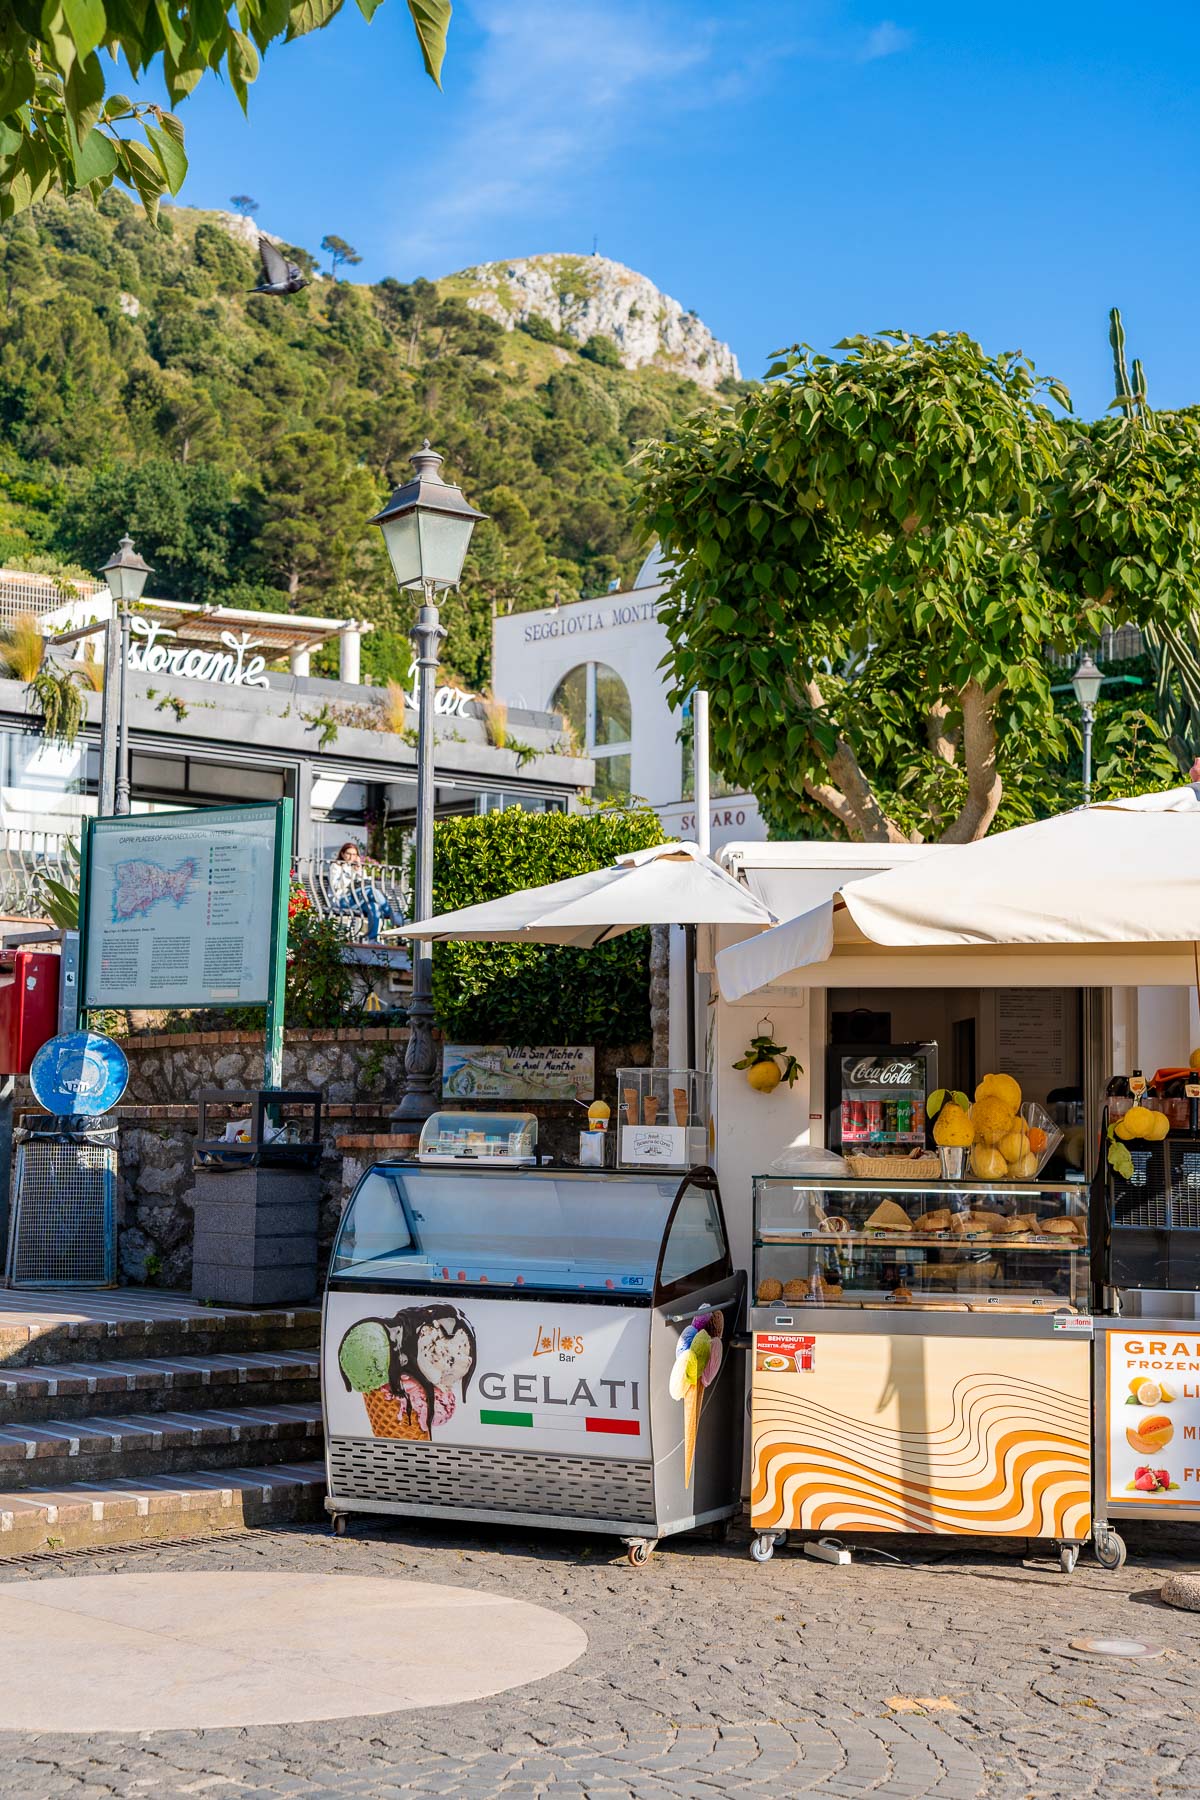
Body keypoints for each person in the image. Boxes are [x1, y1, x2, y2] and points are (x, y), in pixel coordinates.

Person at [328, 841, 397, 943]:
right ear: (342, 854)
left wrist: (359, 870)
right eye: (348, 854)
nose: (351, 857)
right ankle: (392, 915)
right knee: (370, 890)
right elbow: (335, 886)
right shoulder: (336, 866)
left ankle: (372, 939)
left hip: (357, 900)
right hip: (341, 900)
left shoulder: (356, 867)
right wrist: (351, 875)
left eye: (354, 854)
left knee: (373, 906)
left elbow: (364, 883)